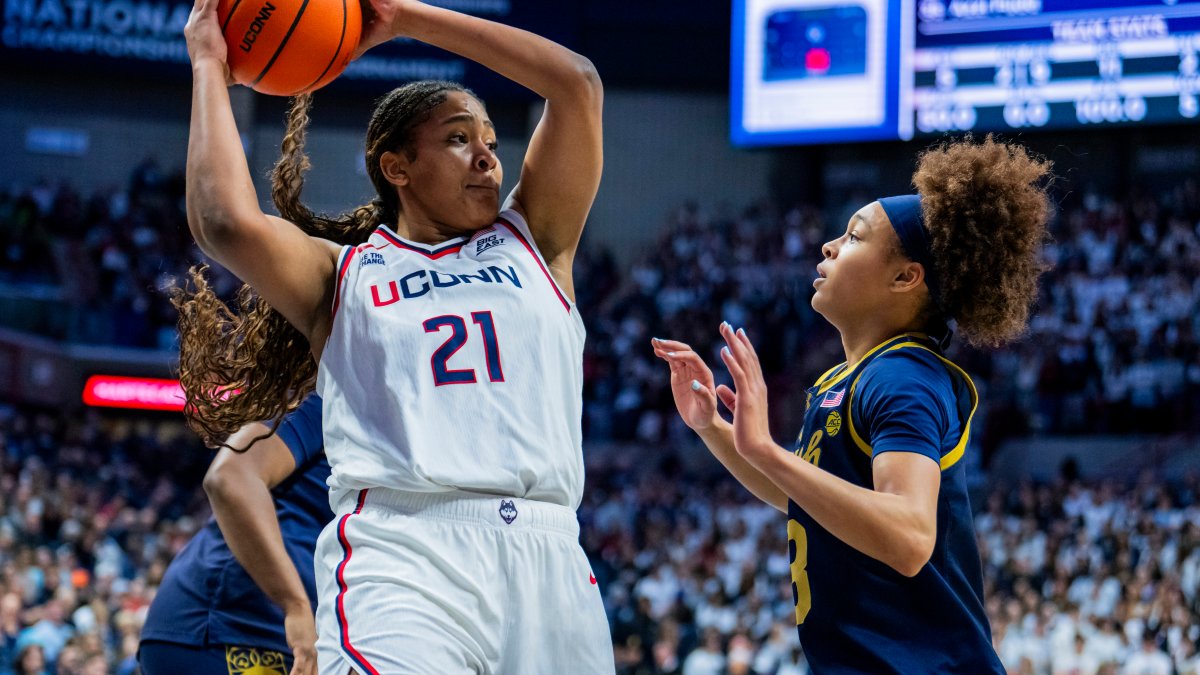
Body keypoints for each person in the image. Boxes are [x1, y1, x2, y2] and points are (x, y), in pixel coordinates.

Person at [178, 0, 609, 671]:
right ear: (396, 167)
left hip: (550, 556)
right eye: (459, 139)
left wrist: (404, 17)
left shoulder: (538, 240)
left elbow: (576, 83)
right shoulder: (341, 273)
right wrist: (208, 61)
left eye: (492, 142)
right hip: (407, 554)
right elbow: (224, 222)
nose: (487, 160)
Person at [653, 136, 1052, 672]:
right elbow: (809, 499)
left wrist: (768, 451)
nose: (830, 246)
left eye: (854, 236)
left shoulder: (903, 377)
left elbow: (910, 536)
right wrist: (715, 429)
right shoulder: (846, 378)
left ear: (905, 277)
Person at [140, 395, 328, 675]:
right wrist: (296, 605)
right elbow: (230, 478)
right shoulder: (325, 403)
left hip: (257, 631)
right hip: (231, 625)